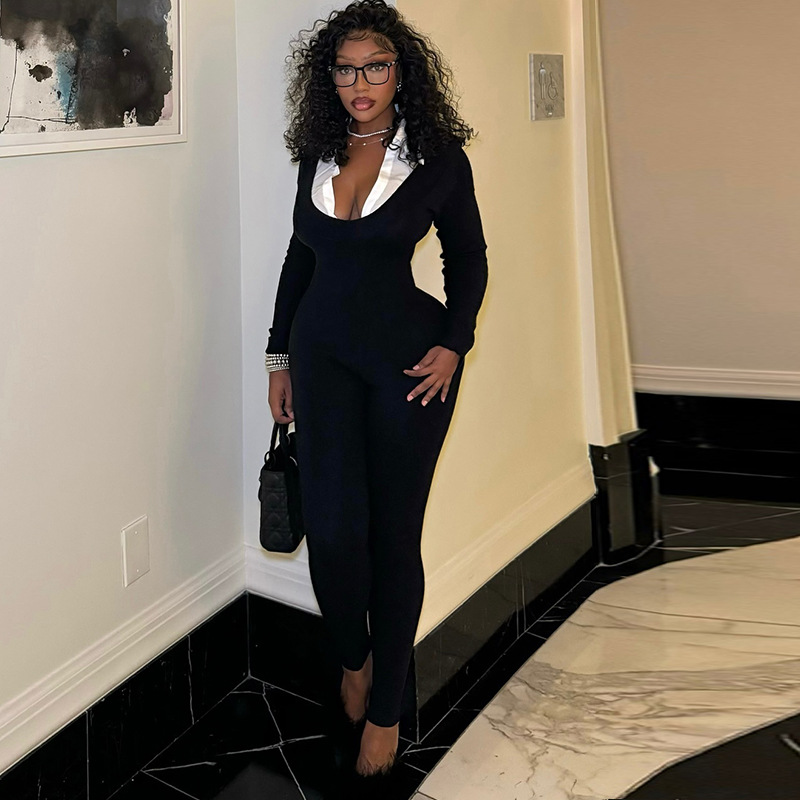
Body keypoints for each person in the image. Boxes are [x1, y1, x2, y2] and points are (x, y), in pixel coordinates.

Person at [265, 0, 489, 780]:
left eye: (376, 68)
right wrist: (278, 357)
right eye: (345, 69)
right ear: (327, 77)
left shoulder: (438, 158)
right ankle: (352, 659)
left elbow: (469, 257)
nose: (360, 85)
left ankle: (386, 712)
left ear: (402, 73)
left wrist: (454, 344)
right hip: (320, 360)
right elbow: (301, 258)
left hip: (407, 369)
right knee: (332, 532)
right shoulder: (318, 151)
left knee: (394, 539)